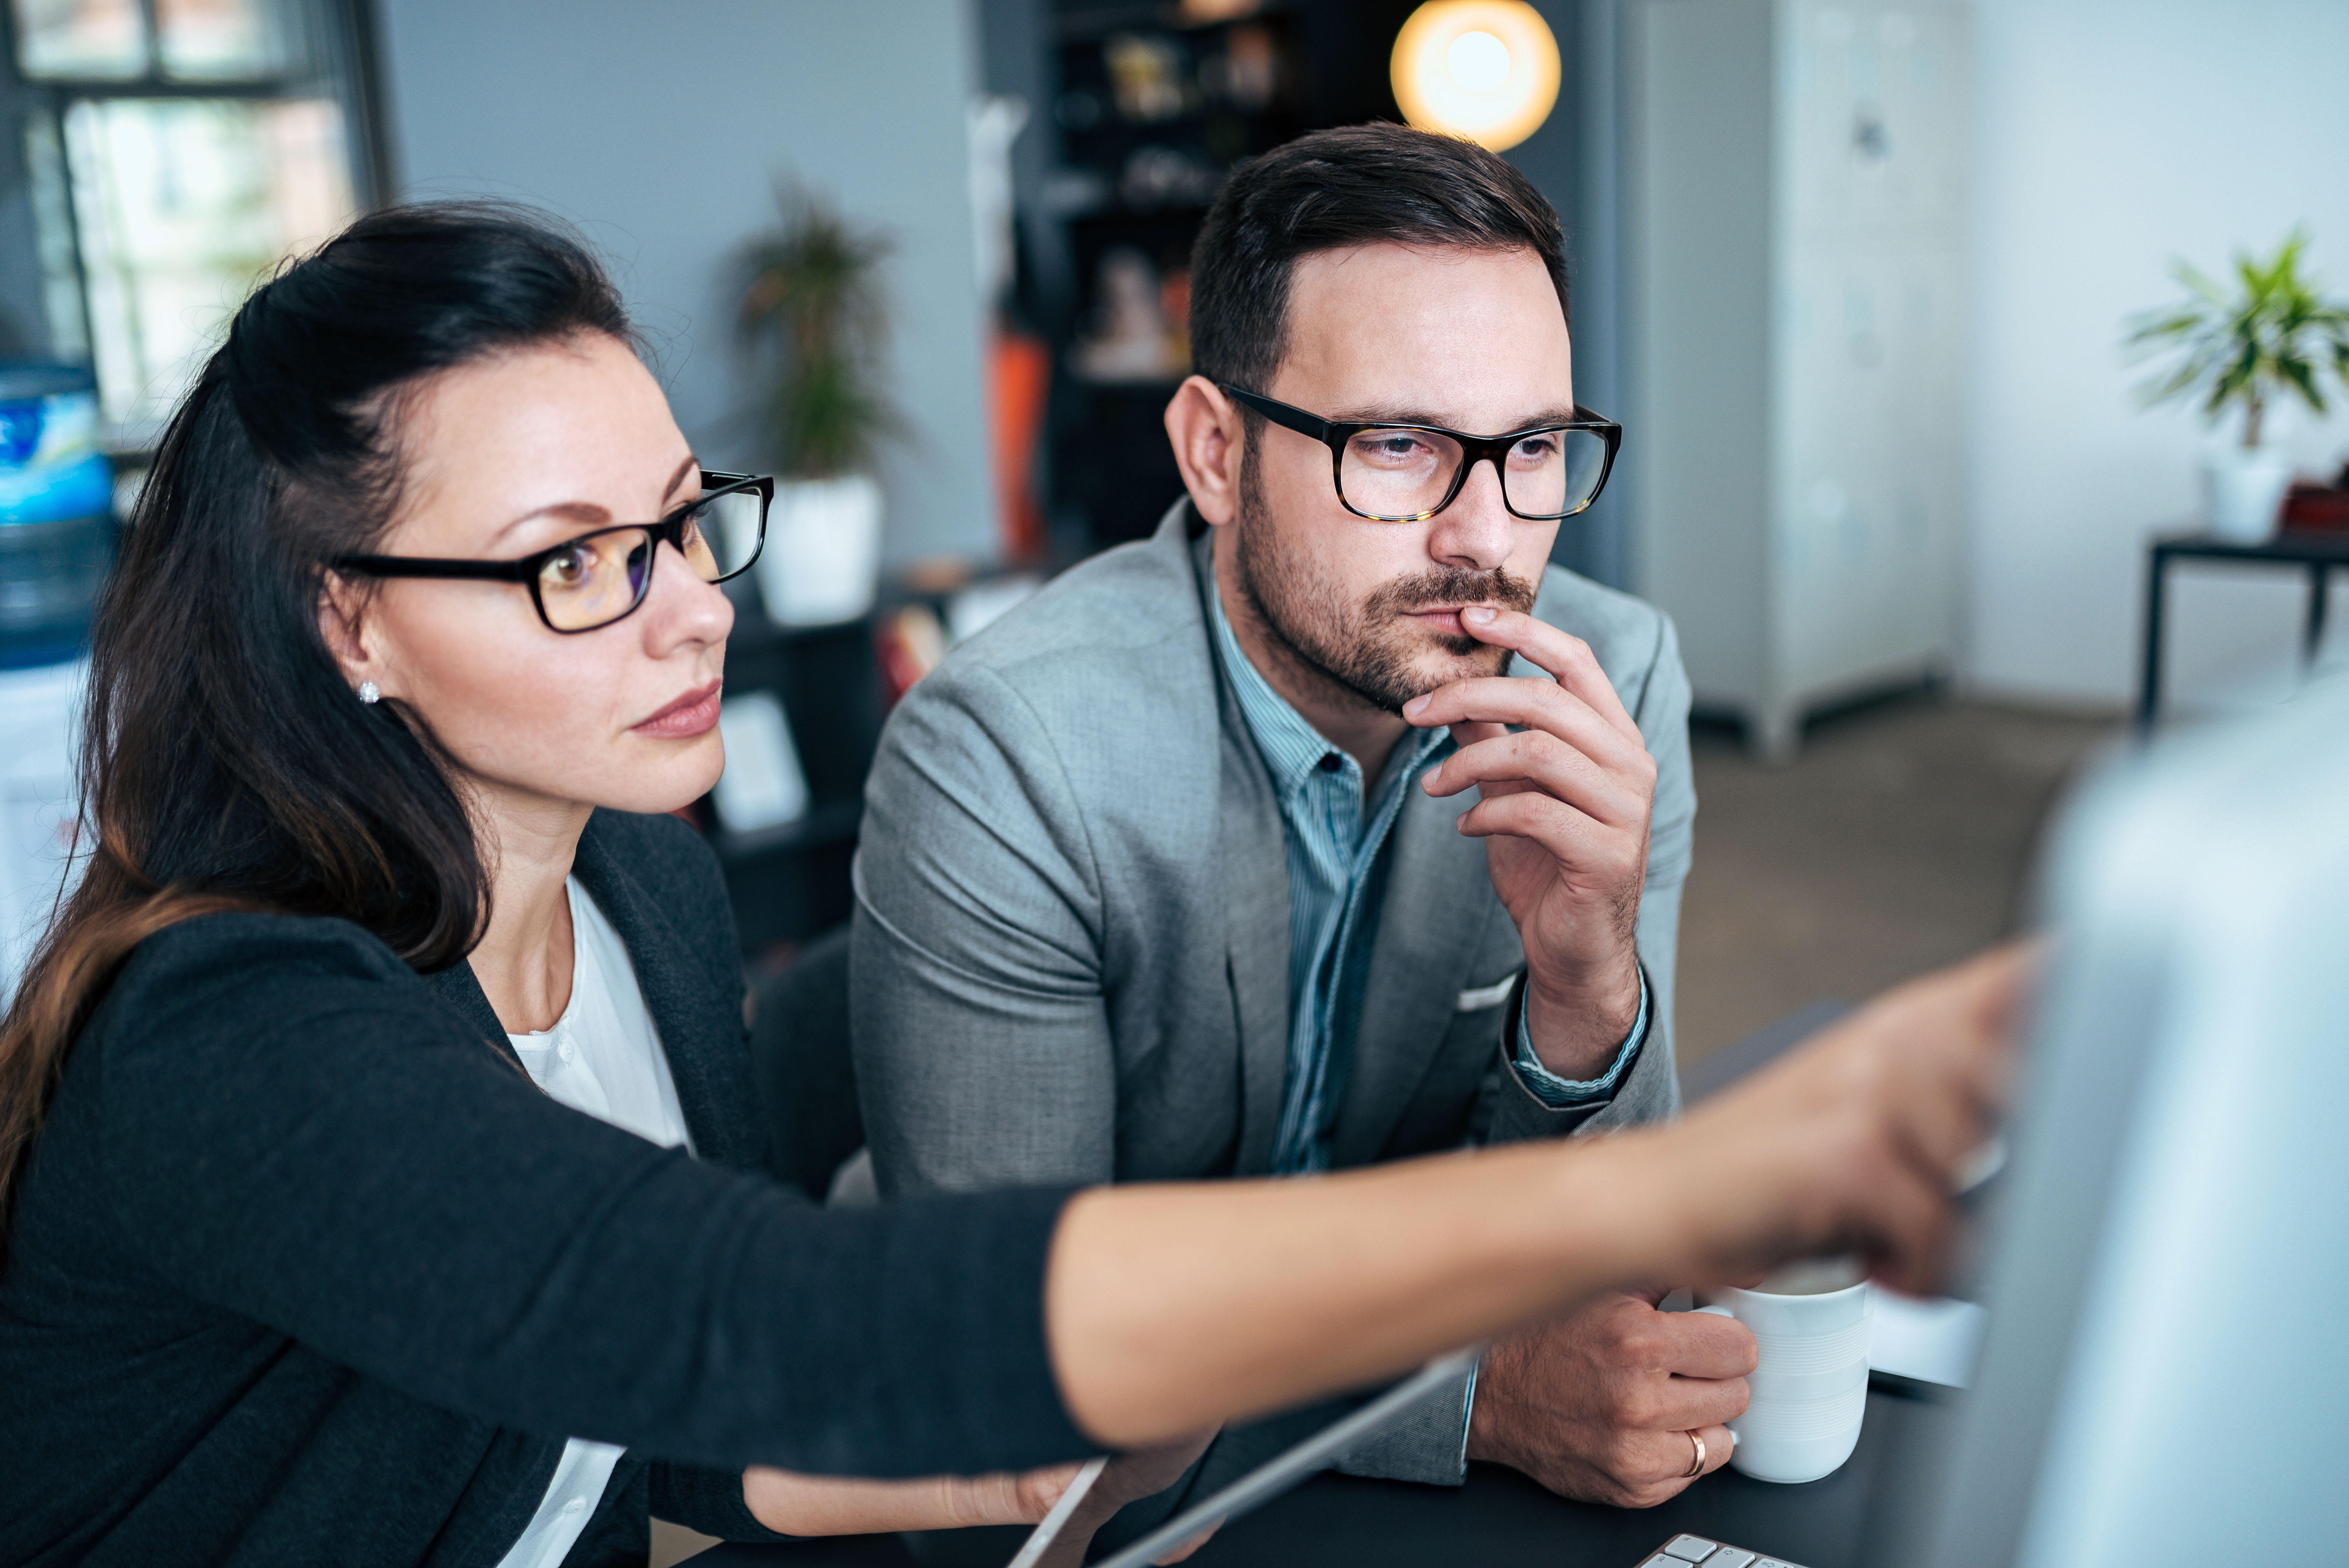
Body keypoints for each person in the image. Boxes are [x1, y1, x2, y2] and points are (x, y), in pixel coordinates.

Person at [0, 202, 2018, 1568]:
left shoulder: (642, 890)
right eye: (574, 560)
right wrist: (1674, 1193)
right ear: (347, 620)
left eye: (687, 523)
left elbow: (667, 1427)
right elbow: (734, 1318)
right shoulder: (238, 1034)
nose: (692, 607)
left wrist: (1049, 1438)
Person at [851, 122, 1726, 1517]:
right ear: (1213, 452)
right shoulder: (1012, 753)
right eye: (1396, 445)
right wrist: (1474, 1394)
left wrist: (1586, 982)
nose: (1485, 538)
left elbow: (1616, 1274)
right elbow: (1021, 1350)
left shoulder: (1607, 689)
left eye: (1536, 448)